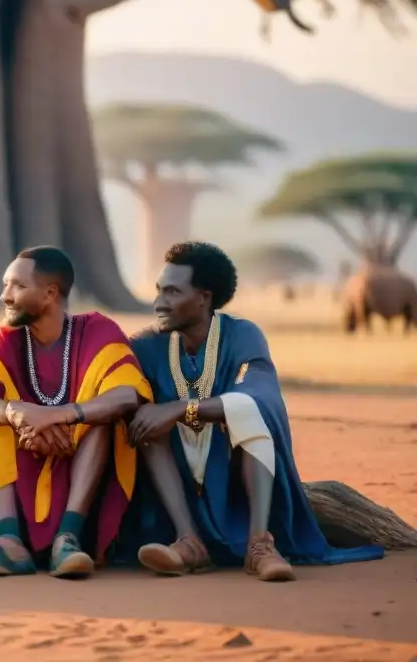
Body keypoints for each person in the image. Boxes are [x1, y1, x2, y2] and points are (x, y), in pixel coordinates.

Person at [127, 241, 384, 581]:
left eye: (173, 292)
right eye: (159, 290)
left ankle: (259, 544)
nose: (159, 302)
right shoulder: (146, 345)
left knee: (249, 411)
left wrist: (178, 409)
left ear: (204, 297)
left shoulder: (242, 335)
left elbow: (257, 392)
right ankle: (188, 542)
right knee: (144, 422)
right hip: (177, 474)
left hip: (232, 469)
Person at [0, 246, 151, 578]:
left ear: (49, 294)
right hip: (23, 456)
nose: (5, 296)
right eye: (5, 285)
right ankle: (8, 543)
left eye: (17, 286)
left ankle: (69, 538)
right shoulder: (4, 338)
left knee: (102, 420)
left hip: (79, 458)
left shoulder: (97, 330)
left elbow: (126, 396)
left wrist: (61, 415)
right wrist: (19, 415)